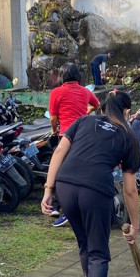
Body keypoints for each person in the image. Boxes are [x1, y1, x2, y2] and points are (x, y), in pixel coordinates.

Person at [40, 90, 140, 277]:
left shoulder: (84, 121)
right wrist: (135, 224)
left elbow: (59, 152)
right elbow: (129, 189)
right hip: (95, 191)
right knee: (98, 251)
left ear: (104, 107)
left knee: (85, 244)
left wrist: (48, 190)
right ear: (127, 111)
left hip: (65, 187)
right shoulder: (128, 135)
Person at [47, 63, 101, 228]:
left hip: (66, 137)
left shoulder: (56, 92)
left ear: (62, 76)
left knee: (60, 172)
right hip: (85, 137)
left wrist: (54, 130)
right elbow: (97, 105)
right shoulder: (85, 91)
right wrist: (87, 113)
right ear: (78, 76)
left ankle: (65, 210)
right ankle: (61, 206)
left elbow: (52, 118)